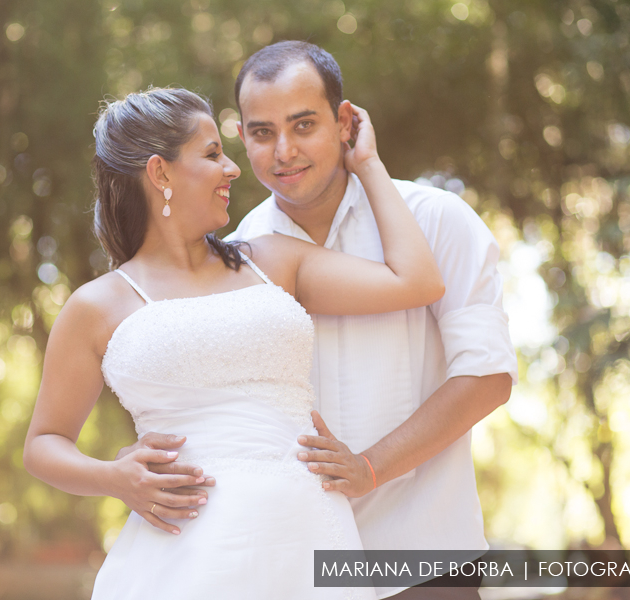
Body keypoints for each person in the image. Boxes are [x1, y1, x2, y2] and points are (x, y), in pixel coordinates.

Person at [122, 42, 519, 599]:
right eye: (261, 133)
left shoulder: (434, 221)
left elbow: (487, 376)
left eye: (303, 125)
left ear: (344, 122)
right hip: (289, 569)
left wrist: (371, 467)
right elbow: (211, 405)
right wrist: (130, 463)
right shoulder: (236, 258)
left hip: (421, 558)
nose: (283, 151)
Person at [22, 86, 444, 599]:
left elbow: (419, 282)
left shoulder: (272, 260)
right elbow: (44, 444)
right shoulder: (97, 306)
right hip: (183, 552)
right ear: (161, 173)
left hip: (305, 537)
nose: (233, 169)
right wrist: (115, 477)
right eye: (212, 153)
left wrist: (368, 165)